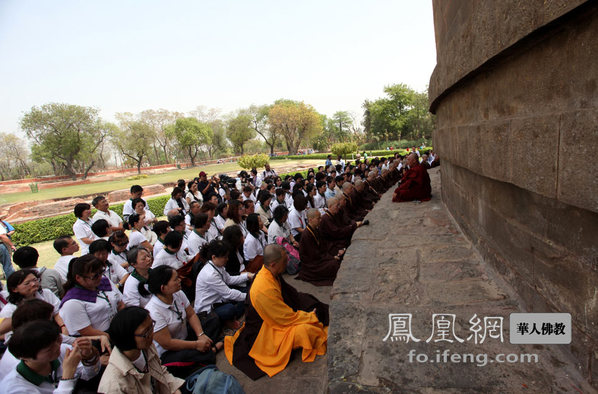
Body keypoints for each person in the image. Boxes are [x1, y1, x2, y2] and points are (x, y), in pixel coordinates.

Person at [224, 244, 328, 379]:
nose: (288, 262)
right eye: (285, 261)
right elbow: (284, 319)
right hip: (264, 330)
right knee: (307, 331)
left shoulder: (270, 273)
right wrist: (309, 316)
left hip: (277, 316)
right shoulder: (263, 288)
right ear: (273, 264)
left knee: (309, 301)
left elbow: (288, 295)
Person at [145, 266, 218, 378]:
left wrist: (201, 335)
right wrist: (196, 344)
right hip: (169, 352)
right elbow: (168, 343)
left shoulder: (177, 293)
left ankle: (205, 348)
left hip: (185, 337)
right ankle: (210, 349)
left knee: (213, 320)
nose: (179, 280)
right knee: (196, 357)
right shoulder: (153, 311)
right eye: (175, 279)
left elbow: (191, 314)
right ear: (163, 288)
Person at [98, 307, 185, 394]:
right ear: (128, 339)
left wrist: (175, 390)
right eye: (146, 332)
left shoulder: (147, 347)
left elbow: (161, 373)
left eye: (152, 326)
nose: (152, 334)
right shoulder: (114, 385)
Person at [1, 320, 101, 393]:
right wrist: (67, 375)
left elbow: (89, 375)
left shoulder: (60, 351)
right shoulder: (14, 388)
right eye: (49, 349)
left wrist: (88, 356)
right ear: (25, 357)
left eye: (57, 341)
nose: (57, 347)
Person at [59, 255, 125, 337]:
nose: (100, 277)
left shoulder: (103, 282)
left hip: (117, 328)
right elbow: (86, 331)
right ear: (78, 278)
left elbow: (120, 303)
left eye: (101, 272)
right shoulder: (72, 302)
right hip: (99, 338)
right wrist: (112, 337)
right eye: (95, 276)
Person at [194, 240, 253, 329]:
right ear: (214, 257)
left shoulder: (217, 266)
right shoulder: (210, 274)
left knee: (246, 290)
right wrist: (250, 296)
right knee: (230, 309)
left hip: (219, 300)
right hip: (208, 310)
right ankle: (226, 321)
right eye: (224, 257)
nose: (227, 259)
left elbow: (229, 279)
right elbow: (228, 293)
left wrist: (247, 276)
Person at [0, 269, 66, 338]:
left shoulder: (46, 293)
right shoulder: (10, 310)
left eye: (35, 280)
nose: (33, 284)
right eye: (27, 283)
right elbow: (8, 336)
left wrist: (63, 327)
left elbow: (57, 313)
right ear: (14, 289)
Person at [297, 209, 343, 286]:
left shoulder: (316, 229)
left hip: (319, 257)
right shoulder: (306, 235)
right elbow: (314, 255)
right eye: (318, 218)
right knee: (334, 264)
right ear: (310, 220)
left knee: (338, 252)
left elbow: (323, 245)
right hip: (312, 264)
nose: (321, 220)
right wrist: (331, 257)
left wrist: (333, 254)